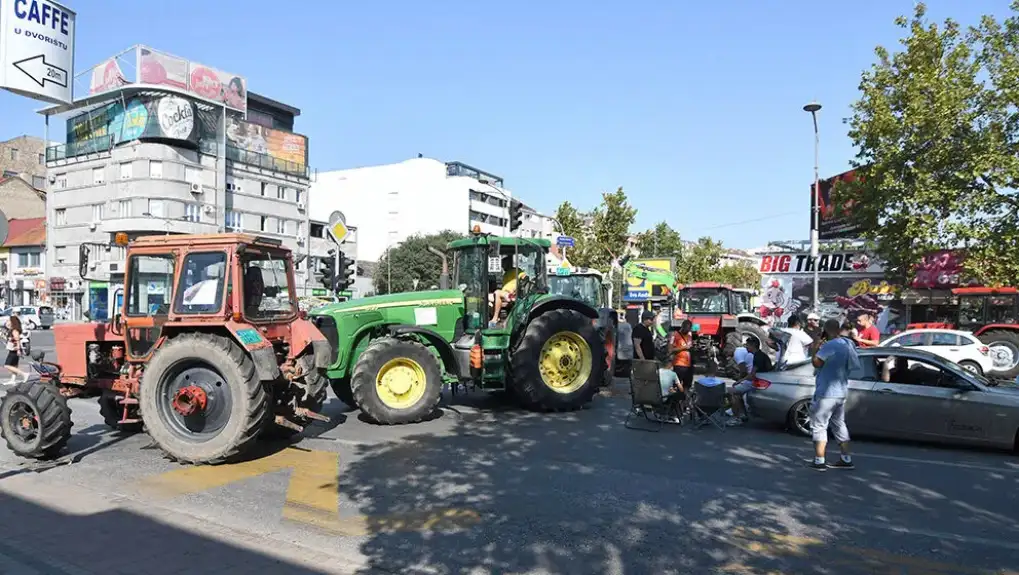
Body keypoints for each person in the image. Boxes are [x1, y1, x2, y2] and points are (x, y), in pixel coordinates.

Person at [809, 318, 861, 471]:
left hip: (826, 392)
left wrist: (815, 348)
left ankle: (819, 461)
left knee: (819, 426)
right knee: (839, 424)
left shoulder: (829, 345)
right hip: (841, 391)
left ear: (826, 329)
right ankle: (846, 458)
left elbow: (816, 363)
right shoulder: (848, 344)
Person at [728, 336, 771, 426]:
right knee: (738, 393)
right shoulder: (759, 355)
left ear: (753, 345)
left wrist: (739, 381)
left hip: (758, 382)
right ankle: (743, 415)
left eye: (747, 345)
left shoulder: (758, 357)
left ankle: (737, 417)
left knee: (732, 392)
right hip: (760, 380)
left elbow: (752, 375)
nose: (746, 347)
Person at [489, 255, 526, 327]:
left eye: (503, 264)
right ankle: (493, 317)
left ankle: (495, 318)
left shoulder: (517, 271)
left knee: (497, 293)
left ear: (508, 263)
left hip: (513, 294)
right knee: (487, 296)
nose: (502, 267)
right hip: (505, 294)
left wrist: (515, 290)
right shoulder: (505, 274)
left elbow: (524, 279)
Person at [657, 355, 684, 423]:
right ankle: (675, 415)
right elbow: (681, 389)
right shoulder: (673, 374)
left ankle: (660, 412)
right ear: (670, 365)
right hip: (664, 398)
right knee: (679, 395)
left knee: (671, 392)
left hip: (654, 397)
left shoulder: (656, 372)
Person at [669, 319, 694, 392]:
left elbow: (690, 347)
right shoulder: (674, 335)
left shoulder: (689, 336)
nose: (687, 330)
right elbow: (670, 350)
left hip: (688, 365)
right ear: (682, 327)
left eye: (689, 329)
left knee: (687, 385)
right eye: (686, 328)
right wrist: (684, 347)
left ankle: (685, 400)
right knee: (677, 385)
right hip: (679, 364)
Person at [4, 315, 30, 385]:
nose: (8, 322)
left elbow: (17, 340)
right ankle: (13, 380)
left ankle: (24, 374)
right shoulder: (12, 330)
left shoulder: (15, 330)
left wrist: (18, 349)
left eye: (9, 321)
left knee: (7, 365)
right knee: (14, 365)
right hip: (13, 349)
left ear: (12, 322)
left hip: (14, 350)